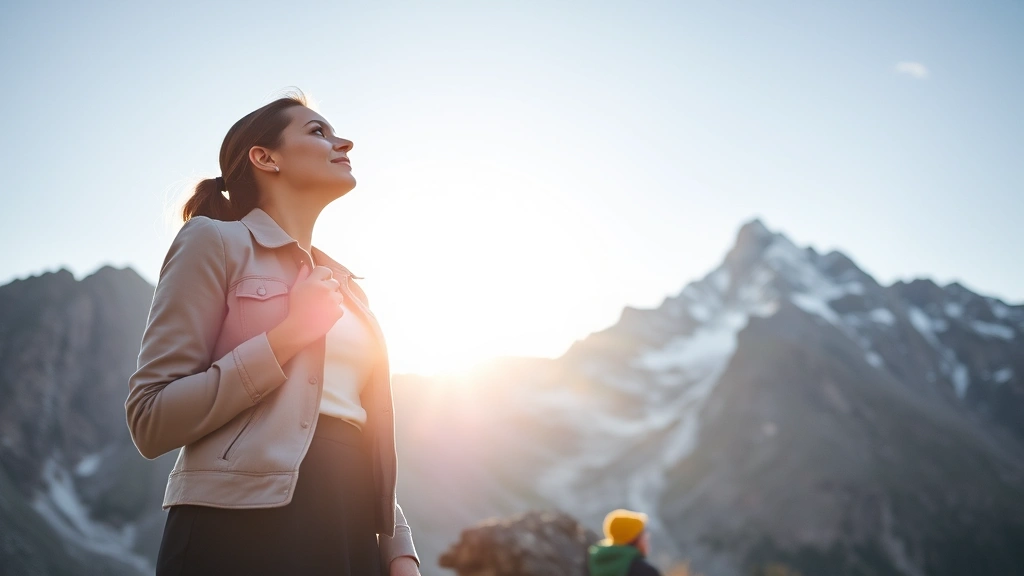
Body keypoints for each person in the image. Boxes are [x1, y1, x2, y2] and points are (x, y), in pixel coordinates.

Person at [125, 91, 420, 576]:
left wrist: (397, 547)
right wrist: (287, 337)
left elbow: (355, 424)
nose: (344, 141)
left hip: (350, 527)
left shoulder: (349, 289)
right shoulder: (213, 241)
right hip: (240, 528)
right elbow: (151, 419)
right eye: (318, 131)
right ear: (264, 158)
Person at [588, 509, 662, 576]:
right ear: (633, 539)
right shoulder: (645, 571)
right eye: (643, 533)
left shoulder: (599, 566)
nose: (647, 537)